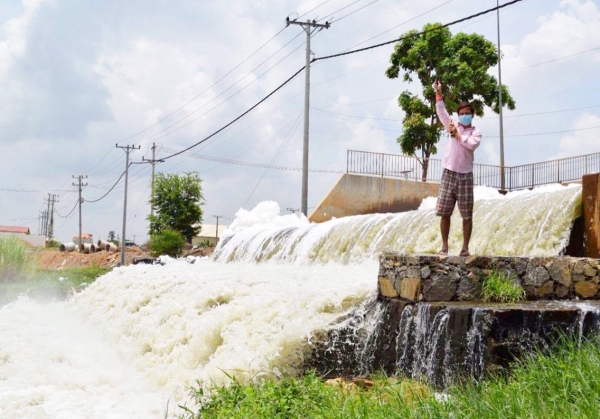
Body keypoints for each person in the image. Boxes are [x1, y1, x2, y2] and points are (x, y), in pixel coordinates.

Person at [433, 80, 481, 257]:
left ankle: (465, 248)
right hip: (449, 172)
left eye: (467, 113)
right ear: (458, 115)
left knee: (466, 215)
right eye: (462, 114)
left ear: (472, 115)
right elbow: (441, 112)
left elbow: (471, 145)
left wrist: (458, 134)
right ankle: (444, 246)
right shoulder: (452, 124)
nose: (464, 116)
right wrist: (439, 93)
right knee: (444, 212)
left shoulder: (476, 132)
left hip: (466, 176)